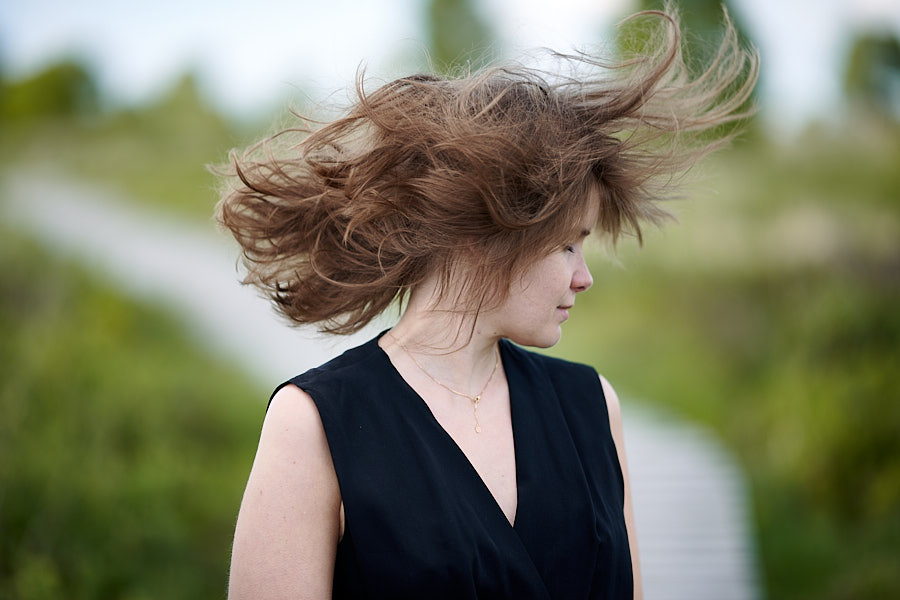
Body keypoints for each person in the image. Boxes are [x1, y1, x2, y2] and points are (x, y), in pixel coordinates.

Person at [216, 6, 757, 599]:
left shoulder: (592, 407)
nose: (584, 277)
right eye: (567, 245)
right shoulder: (315, 423)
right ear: (483, 235)